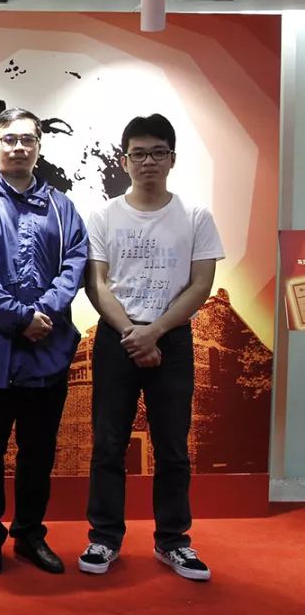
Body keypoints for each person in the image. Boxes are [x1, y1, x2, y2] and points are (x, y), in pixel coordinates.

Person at [80, 114, 223, 581]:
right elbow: (97, 284)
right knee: (108, 444)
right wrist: (132, 334)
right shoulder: (103, 215)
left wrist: (155, 332)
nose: (148, 161)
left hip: (172, 340)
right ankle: (104, 538)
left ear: (172, 159)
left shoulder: (196, 216)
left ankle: (173, 541)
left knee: (173, 447)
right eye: (138, 153)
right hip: (117, 337)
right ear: (125, 161)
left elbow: (201, 285)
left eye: (157, 152)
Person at [0, 108, 88, 576]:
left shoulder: (62, 207)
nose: (18, 148)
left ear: (38, 146)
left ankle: (30, 533)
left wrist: (44, 313)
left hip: (48, 349)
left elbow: (75, 263)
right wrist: (19, 319)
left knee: (39, 449)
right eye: (9, 139)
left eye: (27, 140)